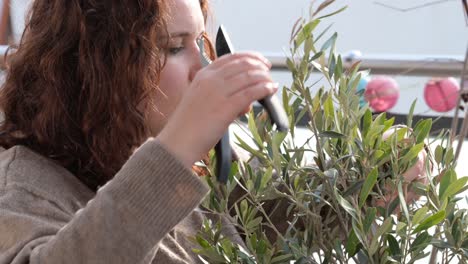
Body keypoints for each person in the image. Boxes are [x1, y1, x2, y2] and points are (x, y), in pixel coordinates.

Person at [0, 0, 278, 263]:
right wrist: (179, 148)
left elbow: (303, 211)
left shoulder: (211, 160)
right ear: (96, 64)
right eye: (174, 47)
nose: (203, 69)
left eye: (200, 42)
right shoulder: (22, 186)